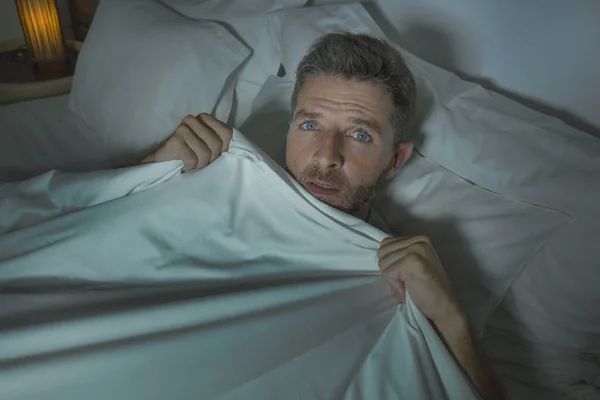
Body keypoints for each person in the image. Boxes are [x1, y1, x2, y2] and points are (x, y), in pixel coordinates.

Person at [141, 32, 505, 399]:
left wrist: (452, 321)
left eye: (360, 134)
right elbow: (90, 244)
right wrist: (147, 172)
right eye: (310, 125)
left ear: (396, 160)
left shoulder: (398, 282)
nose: (326, 155)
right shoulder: (218, 181)